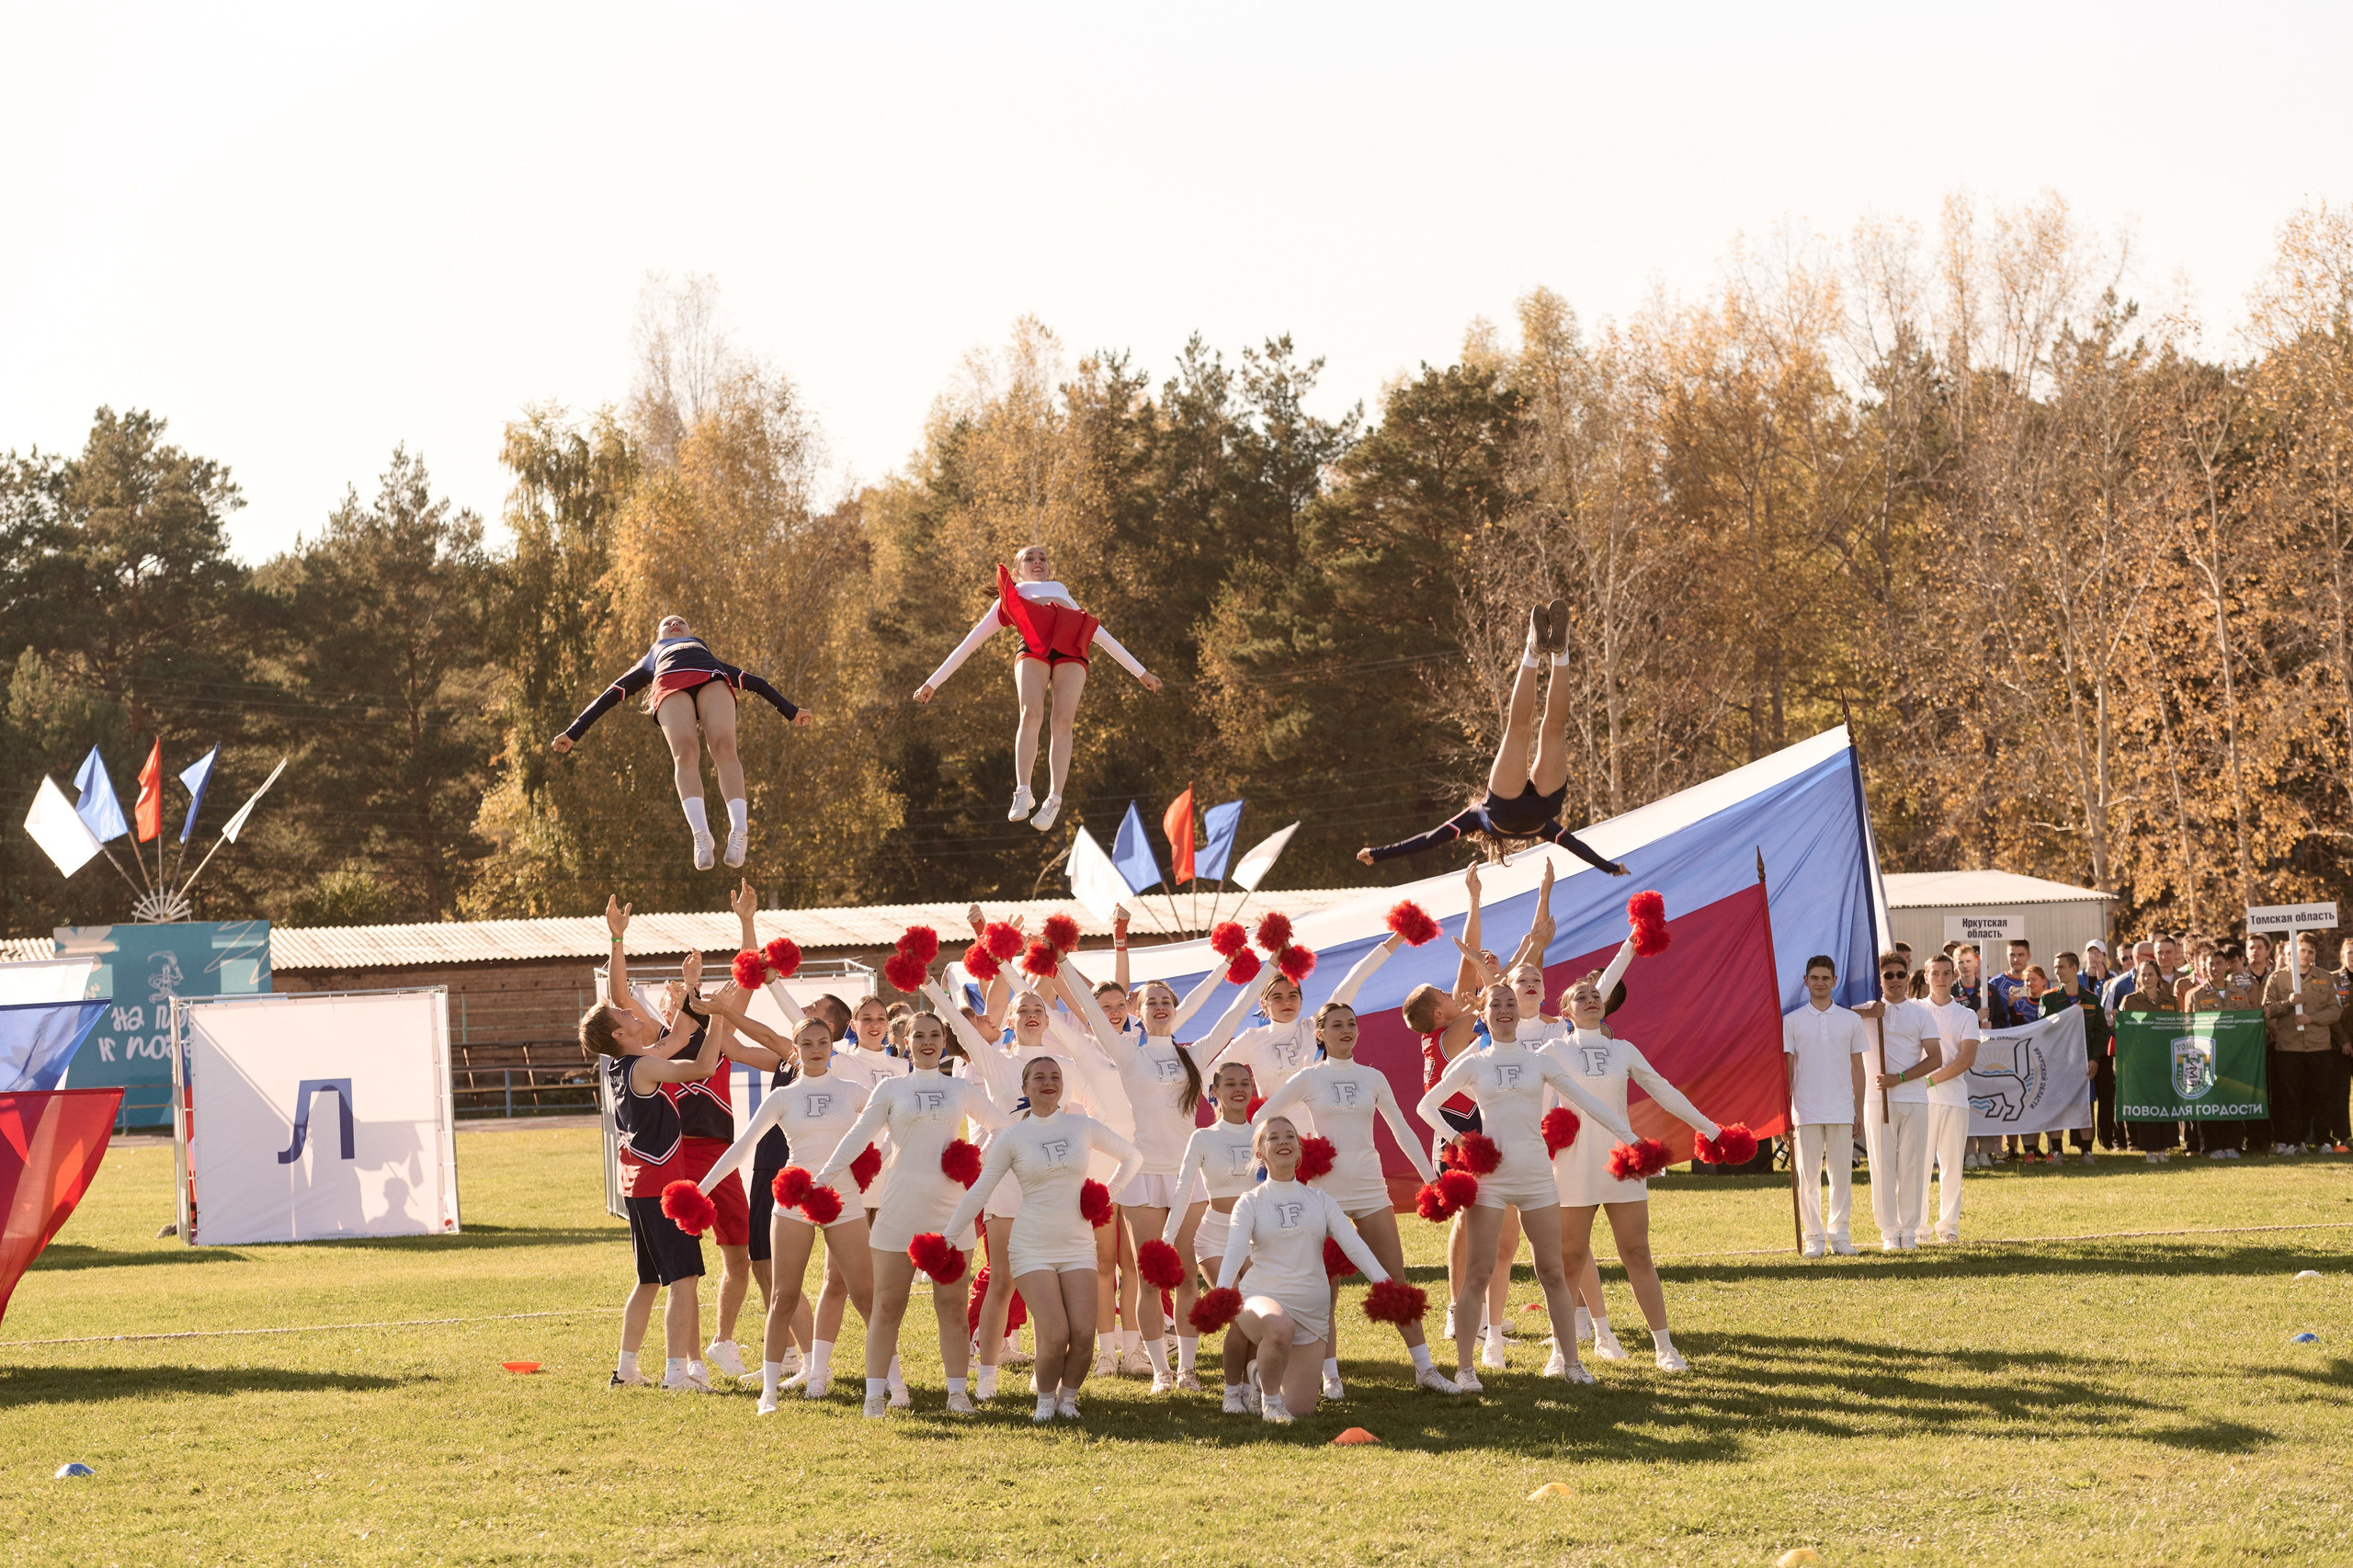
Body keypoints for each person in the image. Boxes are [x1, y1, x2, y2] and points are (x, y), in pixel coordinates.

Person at [1252, 932, 1459, 1397]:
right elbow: (1263, 1117)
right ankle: (1330, 1378)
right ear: (1319, 1034)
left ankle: (1426, 1369)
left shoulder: (1373, 1077)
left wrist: (1433, 1181)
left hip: (1369, 1188)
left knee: (1394, 1277)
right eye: (1337, 1025)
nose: (1346, 1031)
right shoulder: (1308, 1076)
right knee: (1323, 1288)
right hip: (1321, 1194)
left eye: (1352, 1024)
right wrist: (1295, 1149)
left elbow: (1404, 1131)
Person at [1056, 961, 1262, 1392]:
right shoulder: (1128, 1052)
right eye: (1152, 1001)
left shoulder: (1194, 1054)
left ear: (1175, 1008)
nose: (1161, 1007)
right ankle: (1161, 1374)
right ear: (1138, 1009)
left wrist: (1271, 966)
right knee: (1151, 1277)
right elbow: (1092, 1014)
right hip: (1143, 1175)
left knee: (1186, 1274)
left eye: (1167, 1001)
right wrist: (1059, 963)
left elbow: (1234, 1013)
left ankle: (1186, 1369)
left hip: (1188, 1176)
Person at [809, 996, 1008, 1417]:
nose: (928, 1042)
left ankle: (958, 1394)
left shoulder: (959, 1087)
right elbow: (858, 1136)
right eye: (919, 1035)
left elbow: (1003, 1127)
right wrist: (824, 1177)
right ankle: (874, 1397)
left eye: (935, 1035)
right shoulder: (892, 1087)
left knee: (952, 1307)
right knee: (885, 1306)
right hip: (897, 1209)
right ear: (905, 1041)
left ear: (944, 1041)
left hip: (950, 1212)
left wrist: (974, 1158)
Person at [577, 903, 737, 1393]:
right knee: (683, 1279)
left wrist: (620, 941)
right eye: (626, 1016)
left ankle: (626, 1369)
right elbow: (701, 1067)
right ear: (620, 1034)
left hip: (638, 1187)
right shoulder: (644, 1064)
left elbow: (669, 1035)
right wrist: (720, 1020)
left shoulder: (621, 1064)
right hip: (661, 1186)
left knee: (649, 1280)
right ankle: (675, 1374)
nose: (633, 1011)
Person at [1544, 940, 1723, 1373]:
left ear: (1605, 1004)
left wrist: (1710, 1128)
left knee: (1637, 1253)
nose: (1589, 999)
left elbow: (1663, 1090)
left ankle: (1665, 1347)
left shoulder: (1623, 1050)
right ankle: (1560, 1351)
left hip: (1623, 1165)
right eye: (1579, 996)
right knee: (1569, 1259)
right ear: (1565, 1012)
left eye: (1595, 994)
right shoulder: (1551, 1051)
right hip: (1572, 1166)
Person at [941, 1057, 1143, 1421]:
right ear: (1024, 1089)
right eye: (1039, 1077)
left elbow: (1132, 1156)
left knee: (1083, 1333)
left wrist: (1105, 1196)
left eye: (1055, 1077)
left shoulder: (1081, 1125)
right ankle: (1046, 1401)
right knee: (1055, 1332)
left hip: (1078, 1244)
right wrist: (946, 1239)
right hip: (1031, 1245)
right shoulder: (1013, 1136)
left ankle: (1068, 1399)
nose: (1048, 1083)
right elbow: (978, 1191)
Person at [1358, 605, 1632, 873]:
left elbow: (1575, 845)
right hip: (1501, 805)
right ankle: (1534, 651)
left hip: (1542, 808)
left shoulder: (1540, 828)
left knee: (1554, 728)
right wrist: (1377, 853)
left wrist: (1609, 867)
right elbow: (1430, 837)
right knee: (1518, 728)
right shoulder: (1477, 814)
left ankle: (1560, 654)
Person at [695, 1001, 874, 1411]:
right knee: (782, 1294)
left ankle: (889, 1384)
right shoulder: (782, 1096)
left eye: (823, 1042)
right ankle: (769, 1392)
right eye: (806, 1043)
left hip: (843, 1197)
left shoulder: (853, 1090)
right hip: (792, 1197)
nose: (815, 1049)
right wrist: (701, 1189)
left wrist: (878, 1163)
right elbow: (743, 1147)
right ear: (795, 1049)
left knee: (865, 1294)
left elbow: (891, 1117)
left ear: (833, 1045)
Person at [913, 544, 1164, 833]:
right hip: (1033, 649)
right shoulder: (1012, 597)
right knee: (1030, 714)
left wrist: (1141, 673)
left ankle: (1054, 800)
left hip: (1072, 651)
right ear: (1018, 572)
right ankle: (1023, 791)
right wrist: (933, 682)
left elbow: (1100, 635)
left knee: (1063, 721)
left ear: (1049, 568)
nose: (1037, 561)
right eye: (1029, 558)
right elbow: (970, 642)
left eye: (1043, 558)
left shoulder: (1062, 592)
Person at [551, 616, 813, 869]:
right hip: (669, 685)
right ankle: (701, 836)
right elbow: (608, 696)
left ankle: (740, 830)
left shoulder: (707, 655)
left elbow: (756, 683)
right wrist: (573, 732)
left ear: (689, 633)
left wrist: (792, 711)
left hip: (713, 680)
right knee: (685, 754)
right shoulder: (652, 657)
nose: (674, 624)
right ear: (658, 636)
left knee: (724, 748)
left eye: (680, 622)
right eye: (667, 623)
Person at [1209, 1116, 1398, 1423]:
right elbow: (1234, 1250)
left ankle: (1258, 1377)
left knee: (1301, 1409)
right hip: (1262, 1296)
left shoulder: (1320, 1200)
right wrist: (1219, 1294)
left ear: (1299, 1151)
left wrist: (1385, 1284)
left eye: (1289, 1137)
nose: (1283, 1141)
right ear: (1259, 1153)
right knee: (1278, 1327)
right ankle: (1256, 1400)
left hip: (1312, 1311)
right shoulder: (1249, 1202)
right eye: (1273, 1138)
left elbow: (1354, 1243)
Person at [1165, 1061, 1263, 1392]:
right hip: (1215, 1238)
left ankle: (1251, 1378)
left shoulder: (1262, 1132)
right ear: (1215, 1093)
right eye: (1230, 1084)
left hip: (1256, 1238)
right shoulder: (1203, 1137)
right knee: (1237, 1307)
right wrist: (1167, 1237)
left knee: (1258, 1309)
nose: (1238, 1089)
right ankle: (1187, 1371)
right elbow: (1182, 1189)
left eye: (1245, 1083)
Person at [1783, 955, 1869, 1257]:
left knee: (1841, 1176)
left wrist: (1858, 1109)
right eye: (1814, 978)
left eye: (1825, 978)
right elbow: (1788, 1070)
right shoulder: (1791, 1021)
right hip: (1805, 1111)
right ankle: (1814, 1237)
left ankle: (1840, 1235)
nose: (1820, 983)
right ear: (1806, 981)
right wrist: (1785, 1113)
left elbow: (1859, 1069)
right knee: (1808, 1178)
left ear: (1835, 981)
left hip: (1842, 1108)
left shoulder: (1851, 1020)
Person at [1856, 952, 1941, 1249]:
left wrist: (1900, 1078)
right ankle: (1889, 1232)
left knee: (1913, 1166)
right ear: (1879, 979)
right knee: (1882, 1167)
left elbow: (1936, 1058)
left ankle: (1909, 1230)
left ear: (1908, 977)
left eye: (1900, 974)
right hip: (1877, 1100)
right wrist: (1867, 1013)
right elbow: (1837, 1014)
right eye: (1888, 975)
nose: (1894, 980)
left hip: (1914, 1098)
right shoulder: (1866, 1011)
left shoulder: (1920, 1014)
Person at [1917, 954, 1978, 1240]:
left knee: (1952, 1168)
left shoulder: (1966, 1015)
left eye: (1945, 973)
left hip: (1954, 1100)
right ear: (1926, 977)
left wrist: (1930, 1078)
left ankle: (1948, 1228)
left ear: (1953, 977)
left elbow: (1966, 1059)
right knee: (1916, 1167)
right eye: (1935, 973)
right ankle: (1917, 1228)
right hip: (1918, 1102)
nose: (1940, 979)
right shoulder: (1914, 1011)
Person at [2266, 933, 2343, 1153]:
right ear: (2293, 950)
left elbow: (2336, 1009)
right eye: (2303, 950)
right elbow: (2267, 1009)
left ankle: (2322, 1141)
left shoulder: (2326, 978)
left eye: (2311, 951)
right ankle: (2292, 1142)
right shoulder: (2278, 978)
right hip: (2289, 1048)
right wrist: (2288, 1003)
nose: (2307, 955)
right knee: (2291, 1099)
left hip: (2319, 1048)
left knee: (2320, 1097)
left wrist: (2312, 1018)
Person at [2044, 951, 2111, 1155]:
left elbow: (2101, 1032)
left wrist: (2095, 1058)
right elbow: (2042, 1029)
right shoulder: (2049, 999)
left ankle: (2086, 1152)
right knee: (2056, 1107)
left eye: (2062, 967)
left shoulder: (2091, 999)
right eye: (2056, 968)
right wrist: (2067, 1016)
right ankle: (2057, 1152)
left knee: (2086, 1107)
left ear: (2074, 969)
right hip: (2057, 1064)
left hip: (2083, 1063)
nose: (2057, 972)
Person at [2116, 960, 2178, 1162]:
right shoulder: (2130, 1000)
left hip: (2165, 1060)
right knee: (2147, 1106)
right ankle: (2150, 1150)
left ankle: (2163, 1149)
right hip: (2141, 1062)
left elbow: (2178, 1030)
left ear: (2158, 976)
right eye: (2143, 975)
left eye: (2150, 974)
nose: (2146, 978)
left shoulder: (2171, 1000)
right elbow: (2125, 1031)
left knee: (2165, 1103)